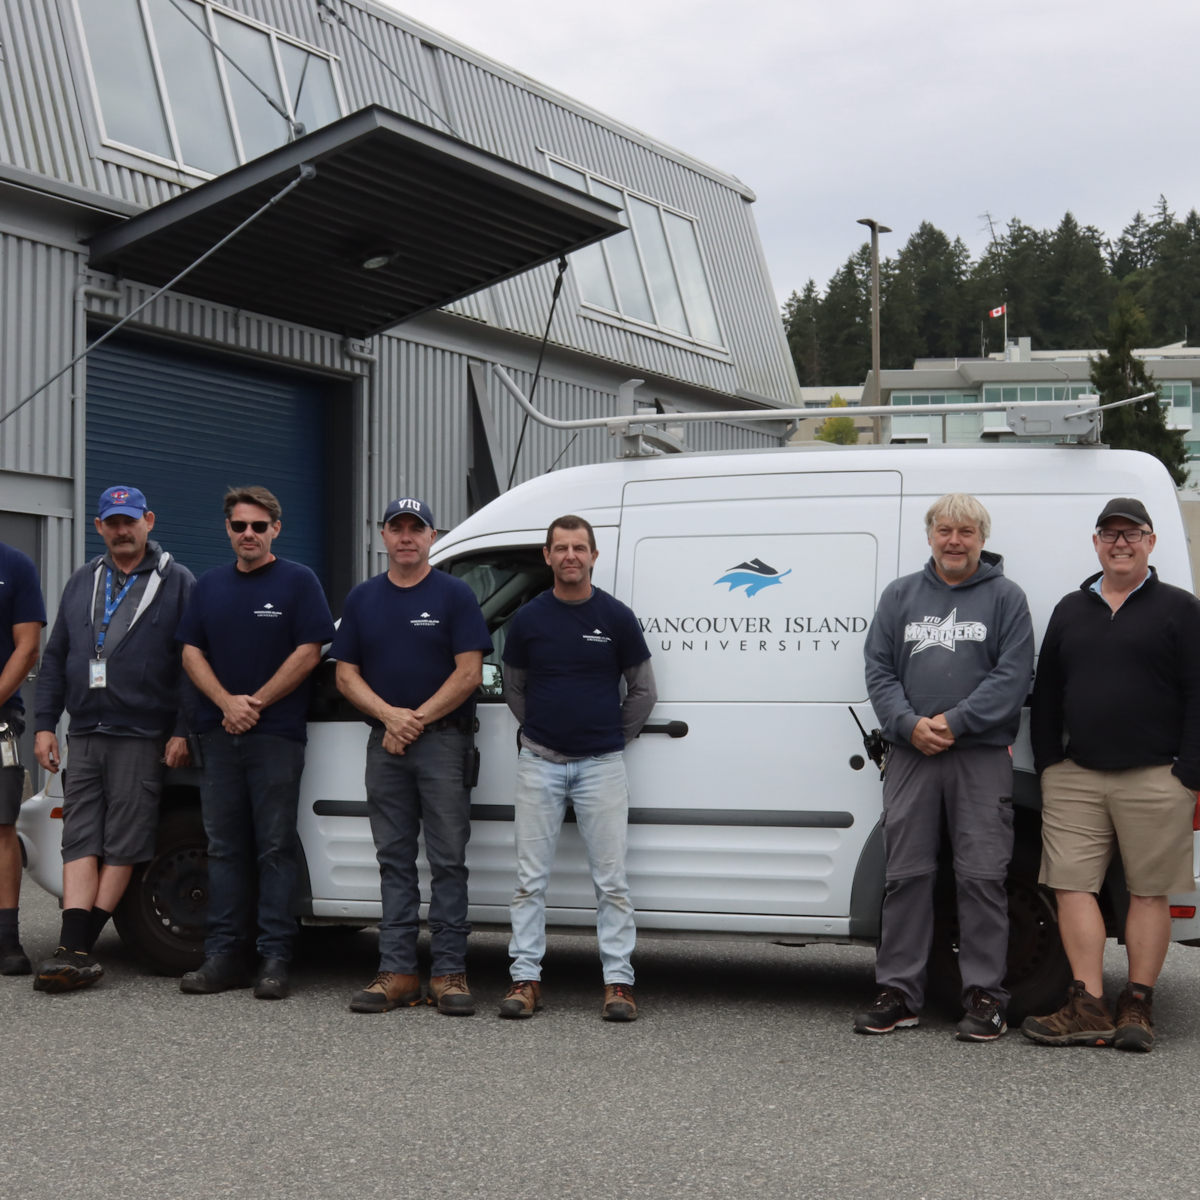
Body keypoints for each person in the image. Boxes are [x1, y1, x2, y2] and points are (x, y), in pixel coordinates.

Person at [1022, 498, 1200, 1053]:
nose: (1120, 542)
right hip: (1077, 778)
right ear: (1095, 543)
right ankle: (1090, 1005)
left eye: (1132, 533)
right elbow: (1046, 690)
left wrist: (1189, 772)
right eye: (1109, 534)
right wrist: (1050, 762)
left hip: (1156, 777)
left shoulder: (1180, 608)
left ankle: (1138, 1005)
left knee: (1148, 894)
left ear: (1151, 542)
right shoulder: (1071, 609)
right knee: (1073, 887)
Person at [858, 493, 1034, 1041]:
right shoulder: (900, 595)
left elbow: (1013, 677)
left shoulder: (1007, 598)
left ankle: (985, 996)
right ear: (930, 535)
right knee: (906, 876)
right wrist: (908, 725)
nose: (954, 541)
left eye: (965, 531)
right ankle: (899, 993)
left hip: (979, 756)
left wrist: (954, 723)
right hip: (911, 755)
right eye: (944, 530)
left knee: (982, 877)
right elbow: (878, 669)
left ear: (982, 538)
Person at [333, 498, 492, 1016]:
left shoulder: (455, 594)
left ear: (432, 536)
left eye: (415, 529)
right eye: (396, 528)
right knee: (394, 861)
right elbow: (344, 674)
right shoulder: (362, 599)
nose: (406, 537)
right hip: (386, 746)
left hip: (443, 743)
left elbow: (469, 672)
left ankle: (448, 973)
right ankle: (397, 972)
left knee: (448, 861)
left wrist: (412, 720)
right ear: (383, 536)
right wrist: (389, 718)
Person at [175, 486, 334, 1000]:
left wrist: (255, 703)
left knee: (274, 848)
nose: (249, 534)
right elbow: (191, 653)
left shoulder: (298, 581)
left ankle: (274, 957)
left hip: (275, 737)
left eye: (258, 526)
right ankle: (223, 956)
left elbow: (310, 651)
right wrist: (226, 703)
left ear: (275, 530)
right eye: (240, 525)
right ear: (227, 529)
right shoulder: (209, 586)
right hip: (219, 736)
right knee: (223, 849)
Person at [32, 486, 191, 993]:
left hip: (142, 735)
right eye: (111, 523)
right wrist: (42, 724)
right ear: (99, 527)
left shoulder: (176, 581)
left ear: (148, 520)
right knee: (80, 835)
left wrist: (183, 729)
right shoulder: (84, 580)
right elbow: (56, 656)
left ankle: (78, 945)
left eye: (129, 521)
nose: (122, 531)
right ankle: (74, 948)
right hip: (85, 732)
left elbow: (192, 663)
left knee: (124, 840)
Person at [498, 514, 656, 1022]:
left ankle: (618, 984)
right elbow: (514, 687)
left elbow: (643, 691)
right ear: (547, 556)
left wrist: (609, 736)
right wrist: (544, 729)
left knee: (612, 883)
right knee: (529, 881)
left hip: (601, 766)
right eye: (560, 548)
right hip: (539, 762)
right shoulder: (527, 620)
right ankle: (525, 980)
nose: (570, 556)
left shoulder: (616, 617)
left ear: (594, 555)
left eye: (579, 547)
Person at [0, 538, 45, 977]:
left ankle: (6, 938)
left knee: (0, 825)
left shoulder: (15, 566)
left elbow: (28, 645)